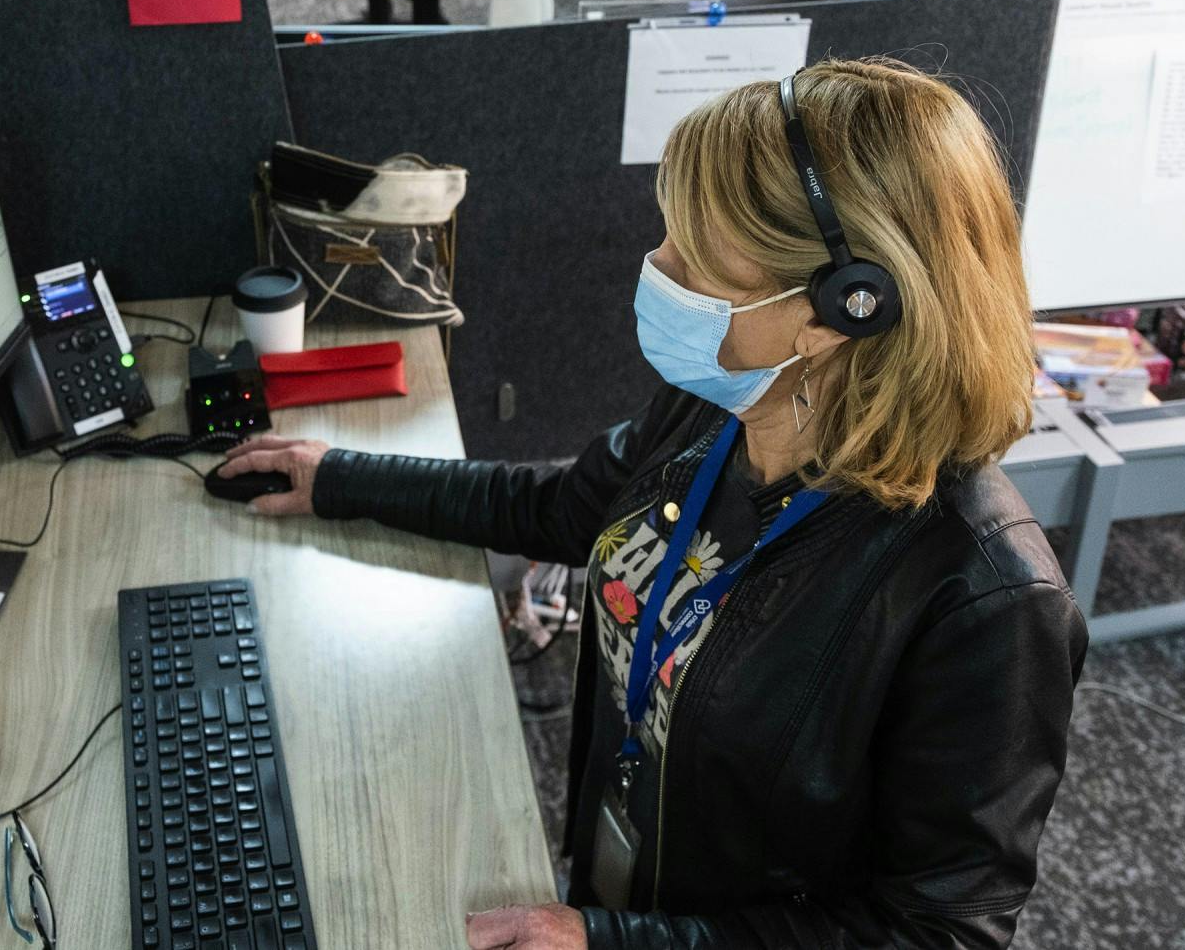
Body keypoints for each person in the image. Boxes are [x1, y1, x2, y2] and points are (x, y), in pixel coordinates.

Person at [219, 59, 1087, 949]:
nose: (657, 269)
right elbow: (564, 508)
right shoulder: (725, 403)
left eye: (696, 259)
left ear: (843, 309)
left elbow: (937, 933)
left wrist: (619, 942)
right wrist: (341, 476)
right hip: (612, 886)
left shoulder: (988, 599)